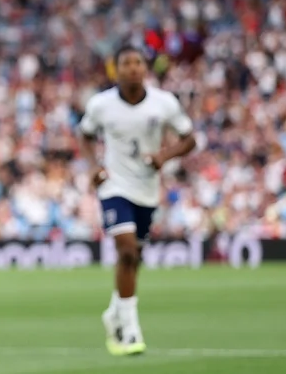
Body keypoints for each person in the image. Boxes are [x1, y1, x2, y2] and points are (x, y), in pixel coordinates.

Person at [78, 46, 196, 356]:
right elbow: (85, 135)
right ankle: (129, 330)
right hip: (114, 186)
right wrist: (93, 166)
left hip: (147, 189)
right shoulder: (101, 105)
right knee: (127, 249)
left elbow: (189, 138)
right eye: (125, 63)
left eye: (137, 63)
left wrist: (165, 156)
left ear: (145, 68)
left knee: (134, 257)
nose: (132, 68)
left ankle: (115, 312)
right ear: (115, 70)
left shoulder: (164, 103)